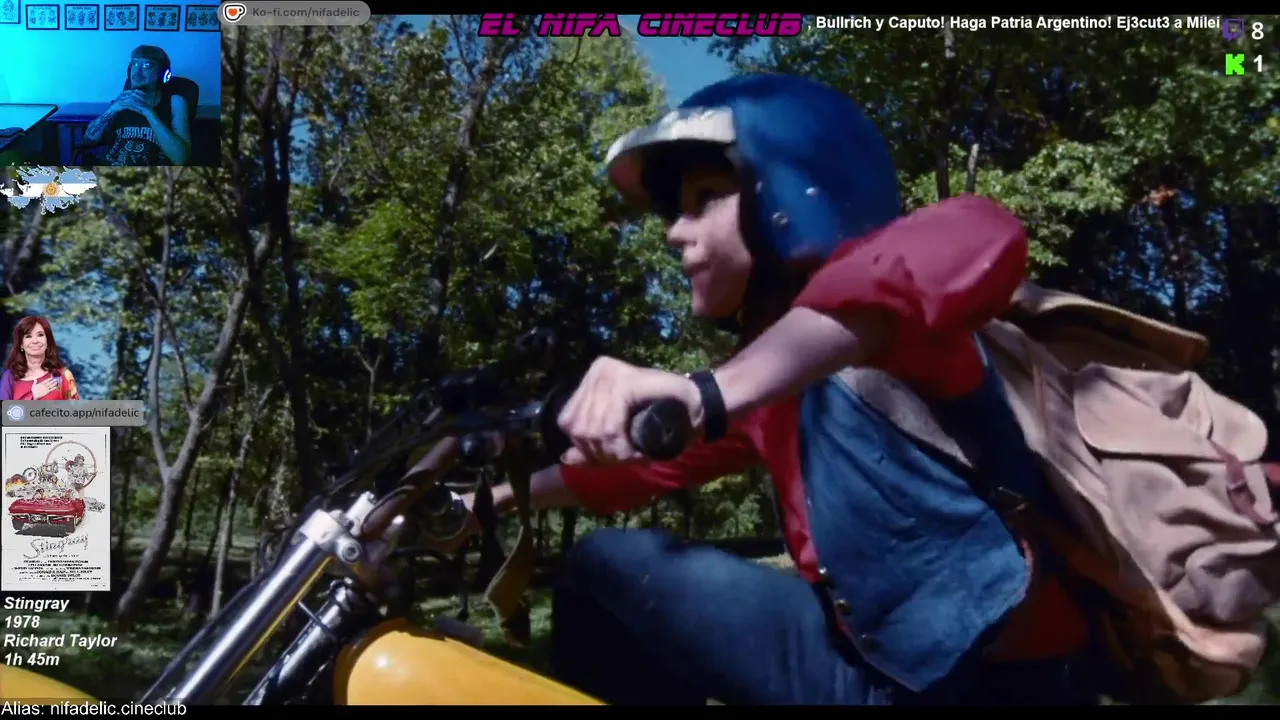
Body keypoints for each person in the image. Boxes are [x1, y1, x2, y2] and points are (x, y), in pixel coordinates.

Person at [436, 74, 1097, 705]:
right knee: (603, 569)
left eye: (704, 199)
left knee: (600, 567)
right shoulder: (772, 387)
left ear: (793, 193)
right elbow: (638, 471)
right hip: (874, 661)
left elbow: (979, 231)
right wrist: (485, 503)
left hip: (987, 680)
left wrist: (710, 392)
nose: (674, 232)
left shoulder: (903, 314)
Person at [82, 45, 190, 166]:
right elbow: (89, 139)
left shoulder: (175, 102)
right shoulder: (121, 101)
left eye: (147, 65)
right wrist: (112, 109)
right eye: (135, 64)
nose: (137, 72)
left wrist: (149, 113)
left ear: (162, 74)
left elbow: (180, 159)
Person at [0, 316, 80, 401]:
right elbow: (5, 409)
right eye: (28, 336)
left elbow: (74, 409)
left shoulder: (63, 375)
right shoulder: (10, 376)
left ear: (47, 342)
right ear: (21, 344)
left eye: (40, 335)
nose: (35, 341)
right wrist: (33, 396)